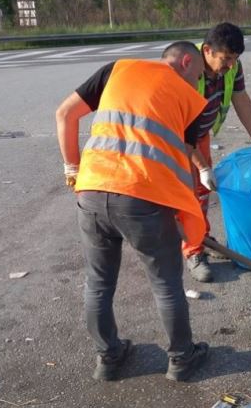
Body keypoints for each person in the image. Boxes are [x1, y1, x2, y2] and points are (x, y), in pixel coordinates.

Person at [55, 41, 214, 382]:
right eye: (198, 75)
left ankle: (109, 358)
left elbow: (65, 114)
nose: (197, 84)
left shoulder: (117, 70)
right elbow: (181, 165)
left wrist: (72, 167)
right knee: (166, 284)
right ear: (186, 61)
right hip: (142, 199)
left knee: (98, 283)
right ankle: (181, 359)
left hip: (92, 190)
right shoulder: (192, 103)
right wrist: (185, 217)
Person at [184, 22, 251, 283]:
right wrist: (200, 167)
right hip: (175, 137)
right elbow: (178, 128)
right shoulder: (188, 68)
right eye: (226, 59)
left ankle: (199, 235)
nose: (231, 65)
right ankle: (193, 251)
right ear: (208, 51)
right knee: (186, 194)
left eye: (235, 59)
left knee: (201, 192)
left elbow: (241, 99)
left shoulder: (232, 66)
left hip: (199, 136)